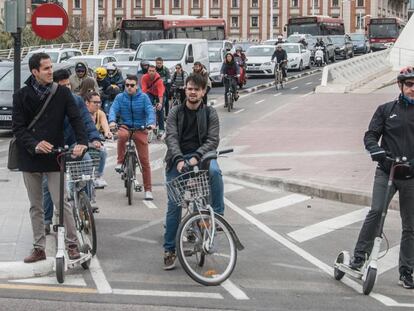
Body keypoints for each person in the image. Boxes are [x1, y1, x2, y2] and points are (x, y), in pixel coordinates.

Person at [12, 52, 87, 263]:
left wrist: (82, 142)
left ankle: (72, 244)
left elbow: (76, 118)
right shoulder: (21, 96)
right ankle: (39, 248)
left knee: (61, 202)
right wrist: (35, 144)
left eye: (51, 67)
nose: (50, 71)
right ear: (34, 72)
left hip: (56, 155)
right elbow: (18, 129)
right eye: (45, 68)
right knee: (35, 205)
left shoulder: (61, 94)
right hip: (30, 156)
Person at [349, 67, 414, 289]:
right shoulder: (386, 110)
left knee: (411, 225)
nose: (413, 88)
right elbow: (370, 135)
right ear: (400, 86)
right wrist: (374, 149)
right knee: (376, 211)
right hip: (387, 171)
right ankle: (359, 258)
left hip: (411, 175)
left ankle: (406, 271)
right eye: (409, 84)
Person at [163, 74, 223, 270]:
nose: (192, 92)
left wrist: (197, 156)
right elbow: (170, 137)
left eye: (197, 89)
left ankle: (219, 215)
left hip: (202, 157)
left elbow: (213, 140)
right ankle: (170, 249)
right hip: (177, 159)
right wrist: (179, 159)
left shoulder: (210, 113)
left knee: (215, 172)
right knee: (174, 205)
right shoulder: (175, 112)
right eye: (189, 88)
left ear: (203, 91)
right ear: (185, 90)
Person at [43, 69, 103, 234]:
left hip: (73, 145)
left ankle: (86, 199)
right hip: (53, 149)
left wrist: (95, 138)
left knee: (87, 162)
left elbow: (86, 121)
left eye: (69, 85)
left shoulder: (76, 101)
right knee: (47, 185)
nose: (67, 89)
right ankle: (46, 221)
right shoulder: (47, 101)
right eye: (63, 86)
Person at [108, 74, 156, 201]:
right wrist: (112, 121)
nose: (129, 88)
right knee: (121, 135)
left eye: (132, 85)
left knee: (145, 161)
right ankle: (120, 161)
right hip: (125, 126)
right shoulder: (120, 97)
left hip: (140, 128)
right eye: (127, 85)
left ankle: (148, 190)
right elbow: (113, 109)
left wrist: (151, 123)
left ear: (137, 86)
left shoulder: (144, 97)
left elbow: (150, 111)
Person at [83, 92, 110, 189]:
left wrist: (107, 133)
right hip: (82, 141)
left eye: (99, 102)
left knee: (103, 151)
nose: (98, 104)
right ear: (87, 103)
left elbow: (105, 124)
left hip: (94, 141)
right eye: (95, 102)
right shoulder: (82, 113)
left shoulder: (100, 113)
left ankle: (98, 176)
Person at [141, 64, 165, 135]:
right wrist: (144, 102)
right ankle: (147, 123)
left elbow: (160, 93)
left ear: (155, 71)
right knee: (147, 107)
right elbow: (144, 90)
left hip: (158, 94)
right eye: (149, 71)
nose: (151, 72)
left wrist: (160, 103)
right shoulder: (144, 77)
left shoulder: (159, 79)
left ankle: (161, 128)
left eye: (153, 71)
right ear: (147, 71)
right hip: (150, 93)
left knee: (159, 110)